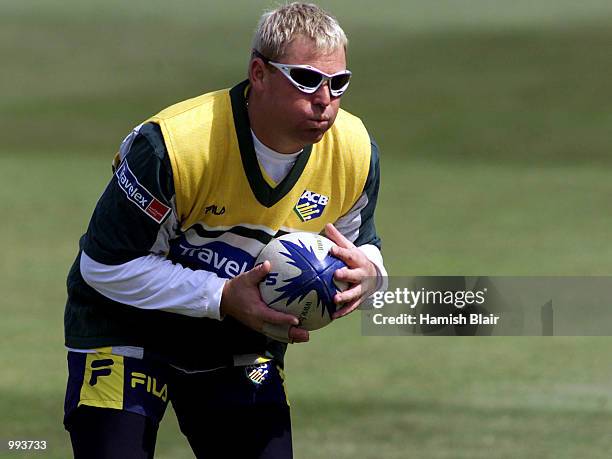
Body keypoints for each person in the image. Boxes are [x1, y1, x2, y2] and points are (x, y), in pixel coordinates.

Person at [63, 2, 387, 458]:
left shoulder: (354, 151)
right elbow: (104, 266)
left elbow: (361, 246)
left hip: (240, 337)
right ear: (259, 73)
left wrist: (370, 278)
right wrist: (221, 297)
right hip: (124, 324)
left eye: (338, 83)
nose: (324, 99)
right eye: (307, 80)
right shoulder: (175, 146)